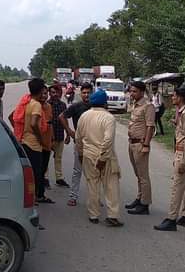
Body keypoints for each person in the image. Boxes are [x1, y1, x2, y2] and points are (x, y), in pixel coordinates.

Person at [75, 89, 123, 227]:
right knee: (111, 186)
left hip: (88, 155)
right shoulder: (108, 118)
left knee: (92, 185)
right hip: (106, 157)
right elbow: (108, 140)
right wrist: (102, 158)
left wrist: (80, 154)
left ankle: (93, 215)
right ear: (105, 102)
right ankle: (112, 216)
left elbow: (78, 138)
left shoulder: (84, 116)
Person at [155, 87, 185, 231]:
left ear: (180, 98)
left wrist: (184, 162)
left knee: (176, 187)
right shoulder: (182, 112)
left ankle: (171, 218)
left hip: (183, 153)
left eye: (174, 95)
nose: (172, 97)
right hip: (181, 152)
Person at [18, 78, 54, 204]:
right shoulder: (36, 105)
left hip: (25, 141)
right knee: (35, 175)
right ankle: (31, 199)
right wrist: (40, 137)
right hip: (33, 145)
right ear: (39, 91)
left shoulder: (28, 102)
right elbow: (34, 123)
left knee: (32, 173)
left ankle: (33, 197)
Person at [59, 82, 93, 206]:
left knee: (93, 172)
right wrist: (70, 132)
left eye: (89, 92)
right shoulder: (76, 106)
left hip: (94, 144)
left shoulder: (96, 106)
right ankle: (73, 196)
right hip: (80, 142)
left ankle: (94, 197)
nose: (86, 95)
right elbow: (61, 117)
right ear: (80, 93)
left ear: (92, 93)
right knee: (77, 171)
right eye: (84, 92)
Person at [125, 80, 155, 215]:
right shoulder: (135, 105)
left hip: (140, 144)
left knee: (143, 175)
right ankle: (139, 197)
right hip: (132, 143)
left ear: (142, 92)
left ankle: (145, 204)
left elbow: (150, 126)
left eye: (134, 91)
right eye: (131, 91)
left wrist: (146, 145)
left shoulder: (147, 106)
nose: (132, 93)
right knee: (138, 174)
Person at [46, 84, 70, 187]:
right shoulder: (46, 105)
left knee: (58, 158)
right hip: (48, 136)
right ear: (49, 93)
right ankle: (45, 178)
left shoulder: (63, 105)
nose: (55, 94)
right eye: (52, 92)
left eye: (57, 92)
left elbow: (65, 120)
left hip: (60, 134)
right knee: (46, 158)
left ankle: (59, 178)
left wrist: (68, 134)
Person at [40, 86, 54, 190]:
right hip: (35, 144)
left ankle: (40, 194)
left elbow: (50, 123)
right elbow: (13, 117)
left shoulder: (49, 107)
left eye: (46, 93)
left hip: (47, 143)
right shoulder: (32, 106)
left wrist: (52, 138)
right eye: (42, 93)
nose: (44, 96)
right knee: (36, 169)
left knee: (44, 168)